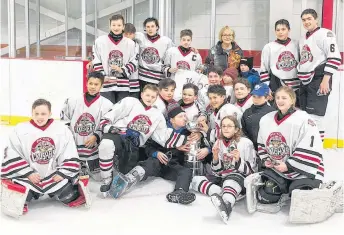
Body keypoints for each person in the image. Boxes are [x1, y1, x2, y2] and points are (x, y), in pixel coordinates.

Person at [96, 84, 191, 196]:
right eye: (147, 95)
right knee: (106, 144)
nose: (149, 98)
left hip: (133, 146)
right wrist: (108, 126)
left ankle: (116, 171)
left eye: (153, 97)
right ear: (141, 94)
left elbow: (163, 136)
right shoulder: (130, 102)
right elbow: (113, 113)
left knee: (125, 173)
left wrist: (184, 140)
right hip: (118, 135)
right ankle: (106, 180)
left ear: (156, 98)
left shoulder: (157, 115)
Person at [108, 102, 210, 204]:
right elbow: (148, 147)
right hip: (158, 162)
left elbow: (203, 145)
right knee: (151, 163)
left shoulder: (188, 133)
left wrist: (206, 148)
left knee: (186, 171)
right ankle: (128, 179)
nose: (184, 118)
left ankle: (179, 192)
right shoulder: (161, 130)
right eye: (180, 116)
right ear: (171, 120)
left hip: (172, 165)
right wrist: (156, 153)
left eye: (185, 115)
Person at [1, 99, 89, 216]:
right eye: (36, 114)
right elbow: (11, 153)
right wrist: (28, 173)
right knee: (20, 198)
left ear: (50, 113)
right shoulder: (20, 130)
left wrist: (62, 173)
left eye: (43, 114)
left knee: (68, 194)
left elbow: (69, 152)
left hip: (53, 175)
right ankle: (30, 193)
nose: (39, 117)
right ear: (32, 113)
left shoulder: (61, 130)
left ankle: (60, 191)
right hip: (29, 176)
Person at [255, 86, 324, 209]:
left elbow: (312, 146)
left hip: (302, 170)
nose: (280, 100)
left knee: (301, 200)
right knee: (268, 195)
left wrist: (288, 165)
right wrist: (267, 160)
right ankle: (285, 186)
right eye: (277, 98)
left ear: (292, 100)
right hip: (278, 169)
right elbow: (261, 143)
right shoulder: (266, 119)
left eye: (284, 98)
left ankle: (300, 187)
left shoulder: (304, 119)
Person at [192, 115, 256, 223]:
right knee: (196, 180)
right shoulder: (219, 142)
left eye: (229, 126)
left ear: (236, 129)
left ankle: (227, 204)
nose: (226, 128)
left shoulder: (246, 143)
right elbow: (216, 172)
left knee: (230, 180)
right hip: (223, 177)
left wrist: (238, 160)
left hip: (239, 179)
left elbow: (252, 171)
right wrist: (215, 157)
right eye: (223, 126)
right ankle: (227, 193)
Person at [297, 9, 342, 142]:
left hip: (318, 79)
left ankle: (317, 148)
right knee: (305, 115)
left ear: (316, 19)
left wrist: (325, 80)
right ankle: (307, 146)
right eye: (304, 20)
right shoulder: (302, 38)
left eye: (309, 18)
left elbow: (334, 58)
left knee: (316, 116)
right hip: (304, 81)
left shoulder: (325, 34)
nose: (306, 22)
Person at [60, 72, 113, 179]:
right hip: (75, 146)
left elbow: (106, 125)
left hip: (93, 146)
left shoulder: (107, 105)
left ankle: (92, 163)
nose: (93, 87)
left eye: (96, 84)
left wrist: (96, 136)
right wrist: (68, 137)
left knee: (98, 177)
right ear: (86, 83)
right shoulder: (73, 101)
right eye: (90, 83)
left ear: (101, 86)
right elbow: (64, 119)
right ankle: (78, 163)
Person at [92, 14, 138, 103]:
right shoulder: (100, 41)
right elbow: (96, 59)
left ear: (123, 26)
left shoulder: (130, 43)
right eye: (113, 25)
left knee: (121, 112)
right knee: (107, 110)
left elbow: (134, 61)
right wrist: (102, 76)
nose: (116, 28)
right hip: (106, 84)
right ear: (109, 26)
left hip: (123, 85)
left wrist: (122, 70)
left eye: (119, 25)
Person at [260, 19, 300, 96]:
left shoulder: (297, 44)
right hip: (277, 85)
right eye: (278, 30)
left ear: (289, 30)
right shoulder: (269, 47)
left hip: (297, 86)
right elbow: (264, 68)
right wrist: (266, 87)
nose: (280, 32)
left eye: (283, 29)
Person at [135, 17, 174, 89]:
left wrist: (191, 49)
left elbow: (175, 52)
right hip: (142, 77)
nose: (150, 29)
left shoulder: (166, 41)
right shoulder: (141, 36)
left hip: (157, 79)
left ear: (157, 27)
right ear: (145, 28)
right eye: (148, 27)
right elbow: (127, 34)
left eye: (152, 26)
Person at [241, 83, 275, 152]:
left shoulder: (273, 112)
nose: (256, 99)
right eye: (254, 96)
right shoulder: (247, 112)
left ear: (267, 97)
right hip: (251, 149)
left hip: (269, 149)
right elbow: (244, 131)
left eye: (259, 97)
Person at [124, 23, 141, 99]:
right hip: (121, 83)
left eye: (130, 34)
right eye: (125, 34)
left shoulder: (136, 45)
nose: (127, 36)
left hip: (133, 80)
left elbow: (135, 62)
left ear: (134, 34)